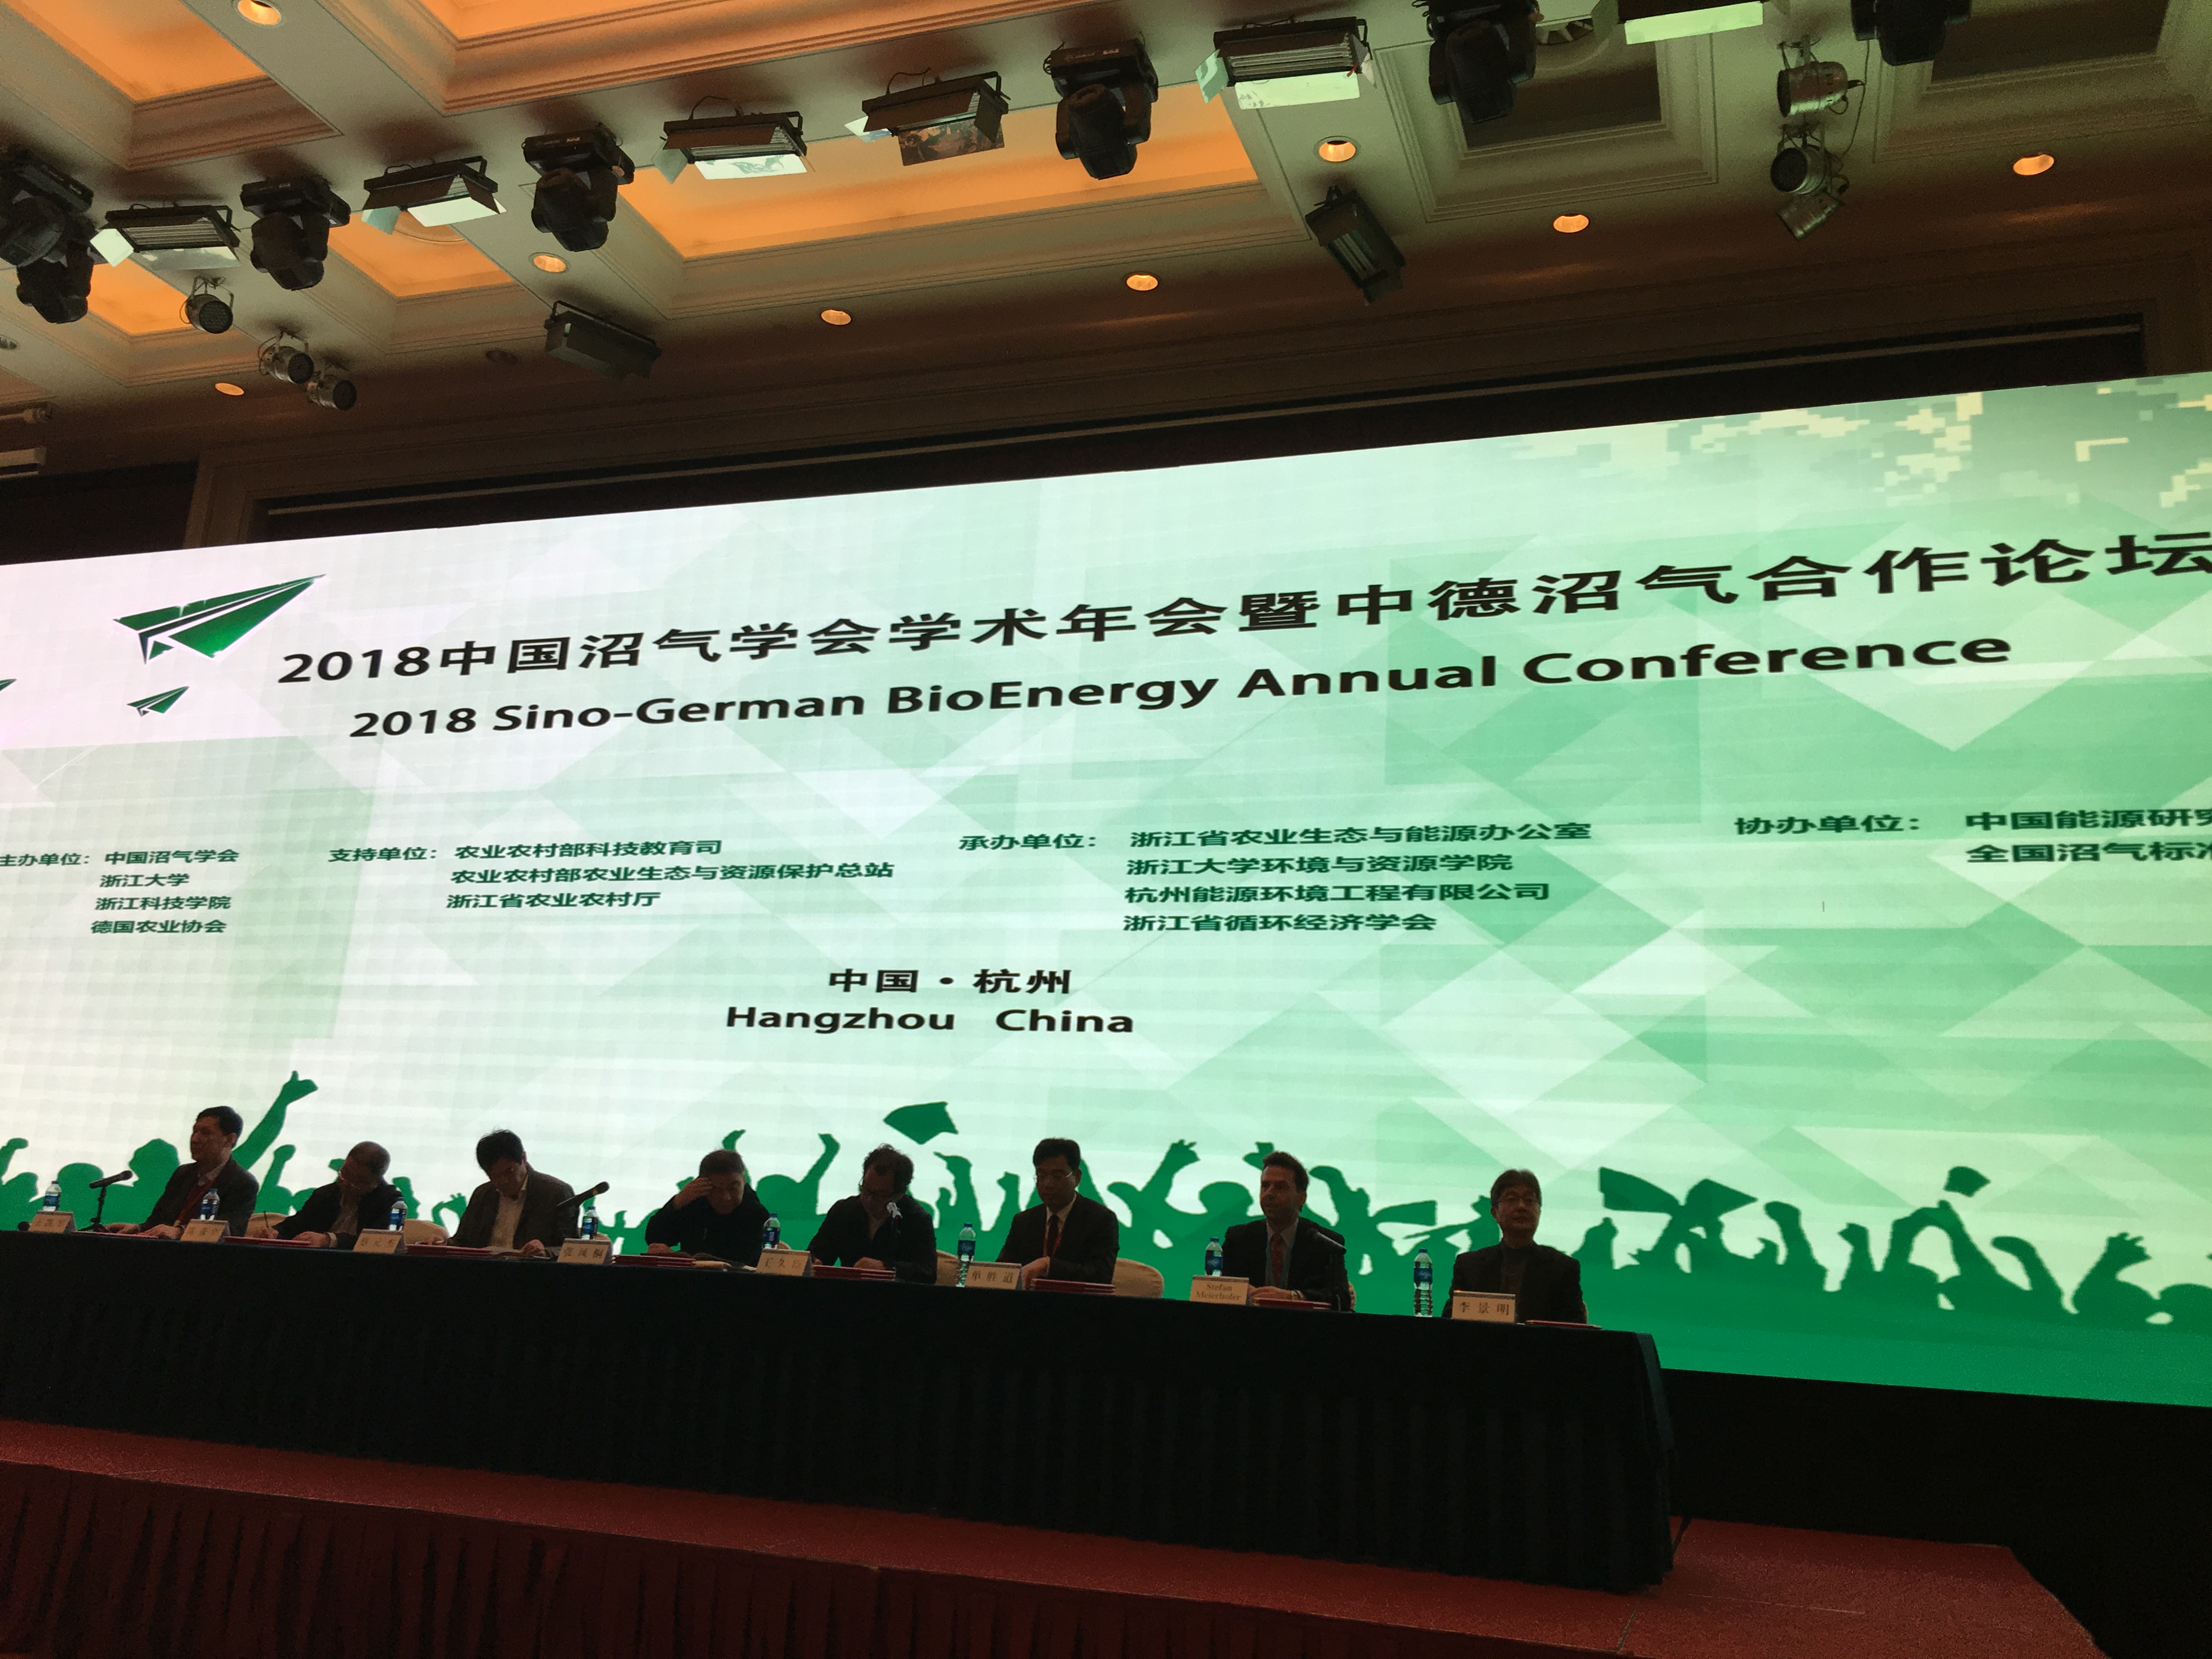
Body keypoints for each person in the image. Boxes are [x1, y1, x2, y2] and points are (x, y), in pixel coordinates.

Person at [1451, 1169, 1587, 1323]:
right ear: (1495, 1212)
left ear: (1539, 1211)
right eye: (1512, 1199)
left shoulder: (1562, 1268)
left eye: (1529, 1200)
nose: (1522, 1206)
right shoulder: (1469, 1266)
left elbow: (1575, 1330)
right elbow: (1449, 1325)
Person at [1218, 1150, 1351, 1310]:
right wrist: (1238, 1291)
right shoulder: (1239, 1238)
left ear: (1302, 1198)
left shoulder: (1324, 1242)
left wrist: (1293, 1297)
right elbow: (1219, 1287)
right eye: (1265, 1186)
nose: (1269, 1193)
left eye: (1280, 1187)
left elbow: (1341, 1297)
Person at [996, 1137, 1119, 1286]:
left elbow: (1100, 1276)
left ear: (1077, 1177)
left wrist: (1049, 1266)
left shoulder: (1101, 1220)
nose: (1048, 1184)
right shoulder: (1024, 1221)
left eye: (1057, 1177)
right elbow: (1003, 1270)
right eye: (1042, 1176)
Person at [809, 1144, 938, 1282]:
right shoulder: (844, 1211)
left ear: (899, 1194)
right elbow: (817, 1253)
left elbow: (928, 1272)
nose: (868, 1200)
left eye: (879, 1195)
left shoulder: (916, 1219)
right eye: (866, 1189)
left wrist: (886, 1267)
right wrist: (815, 1262)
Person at [127, 1107, 259, 1237]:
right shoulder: (183, 1173)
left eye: (205, 1133)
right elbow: (156, 1220)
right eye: (195, 1132)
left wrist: (180, 1232)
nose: (195, 1139)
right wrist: (137, 1228)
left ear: (229, 1139)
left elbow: (229, 1230)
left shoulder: (242, 1183)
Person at [451, 1130, 575, 1257]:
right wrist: (441, 1243)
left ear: (523, 1158)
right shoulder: (482, 1194)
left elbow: (570, 1248)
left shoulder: (556, 1193)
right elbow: (461, 1242)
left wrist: (546, 1251)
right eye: (495, 1176)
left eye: (509, 1172)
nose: (504, 1181)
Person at [644, 1148, 769, 1266]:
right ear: (702, 1184)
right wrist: (677, 1202)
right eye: (716, 1190)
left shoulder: (756, 1214)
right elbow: (654, 1238)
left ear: (744, 1180)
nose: (726, 1197)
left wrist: (679, 1259)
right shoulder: (693, 1203)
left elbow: (740, 1262)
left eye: (733, 1188)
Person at [276, 1142, 401, 1249]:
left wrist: (329, 1240)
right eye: (345, 1173)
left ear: (374, 1182)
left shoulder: (393, 1203)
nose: (345, 1183)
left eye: (357, 1181)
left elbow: (383, 1242)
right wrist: (276, 1232)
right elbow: (297, 1224)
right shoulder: (326, 1194)